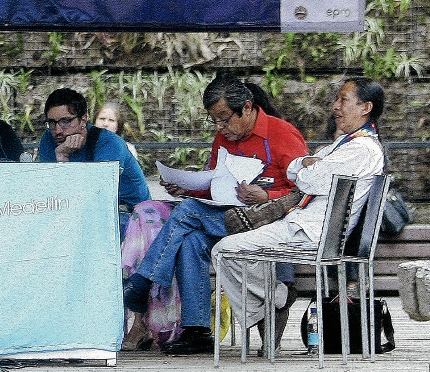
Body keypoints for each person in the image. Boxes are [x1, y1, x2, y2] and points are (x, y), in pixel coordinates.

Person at [122, 75, 308, 355]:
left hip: (267, 220)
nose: (220, 127)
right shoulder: (224, 138)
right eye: (215, 120)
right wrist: (187, 187)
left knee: (186, 212)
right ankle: (197, 330)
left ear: (247, 107)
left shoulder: (283, 135)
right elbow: (217, 186)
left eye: (224, 118)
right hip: (229, 216)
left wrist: (267, 196)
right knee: (191, 240)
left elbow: (305, 190)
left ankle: (144, 280)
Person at [212, 77, 385, 347]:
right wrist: (306, 165)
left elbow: (306, 180)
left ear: (365, 107)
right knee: (230, 251)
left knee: (223, 250)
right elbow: (295, 167)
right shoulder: (346, 144)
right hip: (301, 226)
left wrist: (307, 167)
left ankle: (270, 300)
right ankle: (274, 298)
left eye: (343, 100)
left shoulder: (361, 149)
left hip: (308, 232)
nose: (335, 106)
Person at [39, 88, 150, 239]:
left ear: (83, 120)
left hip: (131, 216)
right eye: (52, 123)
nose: (58, 130)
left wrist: (63, 157)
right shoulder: (48, 139)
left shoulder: (109, 143)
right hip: (87, 213)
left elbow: (95, 197)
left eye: (66, 122)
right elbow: (51, 191)